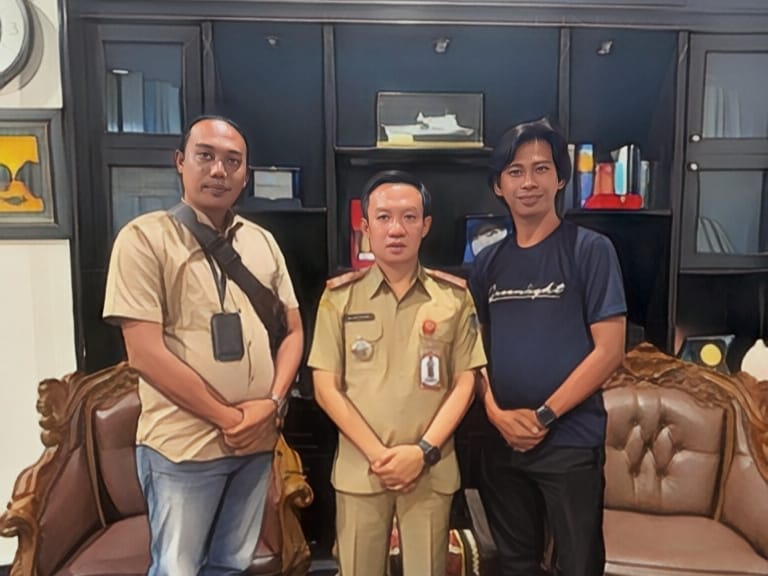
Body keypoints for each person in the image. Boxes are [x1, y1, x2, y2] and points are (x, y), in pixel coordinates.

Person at [103, 115, 304, 575]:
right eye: (206, 156)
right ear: (181, 162)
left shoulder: (262, 242)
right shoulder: (144, 239)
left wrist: (271, 405)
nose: (219, 170)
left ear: (245, 174)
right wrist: (229, 418)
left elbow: (293, 331)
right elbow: (144, 353)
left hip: (255, 443)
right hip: (183, 447)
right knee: (178, 568)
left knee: (233, 563)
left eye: (232, 161)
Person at [469, 118, 627, 576]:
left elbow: (610, 350)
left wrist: (543, 416)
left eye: (541, 169)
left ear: (560, 179)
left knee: (579, 565)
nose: (528, 182)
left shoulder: (590, 250)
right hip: (501, 443)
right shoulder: (488, 262)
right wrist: (496, 414)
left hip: (569, 441)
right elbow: (474, 350)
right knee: (516, 564)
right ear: (498, 186)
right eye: (515, 171)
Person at [308, 170, 486, 576]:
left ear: (425, 226)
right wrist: (379, 456)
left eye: (409, 217)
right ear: (365, 226)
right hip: (362, 470)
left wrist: (421, 452)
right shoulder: (339, 298)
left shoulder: (454, 298)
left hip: (430, 469)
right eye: (384, 217)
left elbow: (466, 381)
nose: (396, 229)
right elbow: (325, 387)